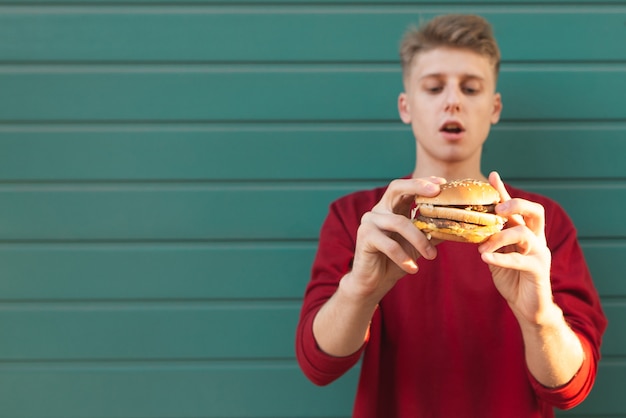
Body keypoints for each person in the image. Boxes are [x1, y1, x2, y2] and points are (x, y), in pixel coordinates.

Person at [295, 14, 607, 418]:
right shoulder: (362, 219)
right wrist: (361, 290)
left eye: (471, 87)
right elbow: (318, 364)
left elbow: (571, 389)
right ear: (405, 107)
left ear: (494, 108)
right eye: (434, 86)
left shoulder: (536, 224)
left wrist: (539, 318)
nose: (453, 100)